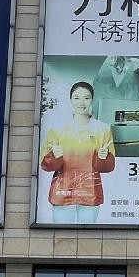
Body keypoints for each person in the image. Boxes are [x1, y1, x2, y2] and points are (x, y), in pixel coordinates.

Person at [40, 80, 115, 224]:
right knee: (61, 235)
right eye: (77, 98)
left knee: (87, 236)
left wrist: (103, 158)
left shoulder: (103, 129)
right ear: (70, 100)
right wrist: (54, 157)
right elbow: (45, 164)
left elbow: (109, 166)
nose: (81, 102)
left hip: (90, 193)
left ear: (92, 100)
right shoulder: (57, 128)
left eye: (86, 98)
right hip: (62, 192)